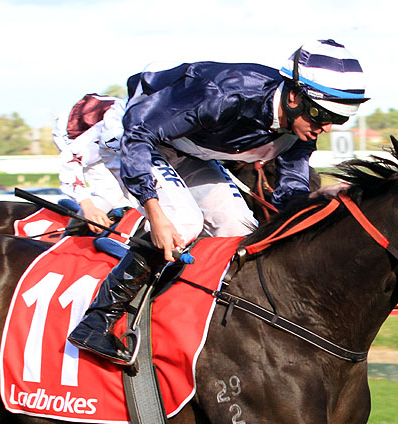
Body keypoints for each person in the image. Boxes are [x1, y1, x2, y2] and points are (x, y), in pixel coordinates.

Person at [68, 39, 369, 364]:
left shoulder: (300, 131)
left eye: (336, 119)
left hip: (186, 148)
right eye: (320, 114)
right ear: (294, 96)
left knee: (238, 228)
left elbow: (289, 197)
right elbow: (139, 134)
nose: (325, 127)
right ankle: (98, 318)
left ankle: (206, 327)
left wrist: (316, 203)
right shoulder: (227, 93)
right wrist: (155, 213)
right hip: (133, 135)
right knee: (182, 222)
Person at [53, 94, 135, 232]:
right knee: (106, 199)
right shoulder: (115, 127)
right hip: (74, 133)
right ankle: (68, 241)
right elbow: (70, 161)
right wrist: (88, 207)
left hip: (116, 130)